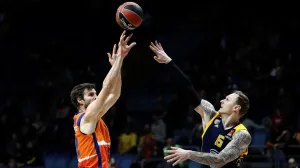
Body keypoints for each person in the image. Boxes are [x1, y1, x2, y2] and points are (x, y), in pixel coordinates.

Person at [149, 41, 252, 168]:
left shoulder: (242, 134)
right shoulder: (210, 115)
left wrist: (189, 154)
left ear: (236, 108)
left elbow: (220, 160)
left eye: (227, 100)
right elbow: (188, 88)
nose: (221, 101)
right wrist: (169, 62)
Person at [70, 31, 136, 168]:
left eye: (95, 94)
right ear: (80, 101)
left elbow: (115, 94)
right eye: (90, 95)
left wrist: (117, 66)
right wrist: (119, 58)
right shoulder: (85, 118)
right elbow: (107, 87)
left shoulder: (95, 117)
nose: (95, 97)